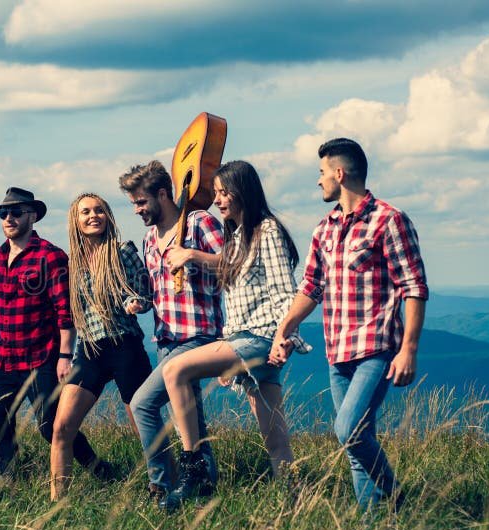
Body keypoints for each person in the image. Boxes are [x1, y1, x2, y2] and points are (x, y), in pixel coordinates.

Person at [271, 138, 428, 510]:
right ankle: (374, 521)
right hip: (337, 351)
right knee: (358, 442)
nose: (319, 181)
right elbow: (311, 287)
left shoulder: (389, 220)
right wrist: (285, 327)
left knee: (348, 431)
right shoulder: (324, 230)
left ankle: (395, 496)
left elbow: (414, 287)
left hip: (377, 348)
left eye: (322, 173)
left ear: (340, 174)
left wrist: (408, 349)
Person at [160, 160, 309, 511]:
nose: (218, 200)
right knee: (275, 439)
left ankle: (192, 465)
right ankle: (297, 505)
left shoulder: (267, 230)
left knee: (174, 370)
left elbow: (284, 291)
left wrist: (283, 337)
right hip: (248, 338)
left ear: (244, 191)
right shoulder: (240, 235)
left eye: (225, 192)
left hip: (259, 338)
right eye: (216, 193)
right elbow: (228, 264)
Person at [0, 187, 106, 479]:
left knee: (51, 426)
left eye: (16, 212)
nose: (8, 218)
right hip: (6, 358)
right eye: (3, 213)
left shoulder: (50, 256)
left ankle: (98, 469)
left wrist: (65, 355)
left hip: (42, 357)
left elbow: (66, 311)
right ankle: (9, 479)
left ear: (33, 216)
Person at [118, 161, 223, 505]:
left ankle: (161, 484)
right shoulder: (150, 239)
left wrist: (192, 254)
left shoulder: (198, 222)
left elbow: (234, 261)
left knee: (142, 404)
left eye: (140, 202)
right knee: (190, 420)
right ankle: (205, 489)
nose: (137, 210)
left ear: (162, 194)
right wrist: (138, 302)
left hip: (199, 335)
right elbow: (153, 293)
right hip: (166, 339)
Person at [50, 193, 154, 500]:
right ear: (76, 221)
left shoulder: (123, 252)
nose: (93, 216)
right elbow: (68, 313)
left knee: (144, 427)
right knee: (61, 429)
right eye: (85, 212)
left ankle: (161, 486)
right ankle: (58, 503)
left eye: (99, 210)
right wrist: (65, 353)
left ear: (108, 216)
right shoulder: (73, 264)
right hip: (90, 350)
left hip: (125, 346)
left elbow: (146, 293)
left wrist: (137, 303)